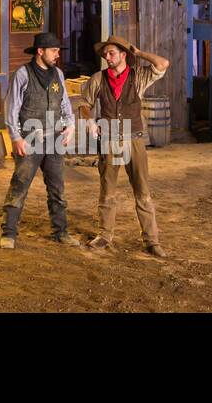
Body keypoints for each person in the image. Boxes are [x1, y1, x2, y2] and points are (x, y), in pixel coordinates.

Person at [82, 35, 169, 257]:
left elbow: (162, 64)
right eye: (105, 54)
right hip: (110, 138)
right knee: (108, 189)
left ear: (123, 55)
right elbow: (84, 103)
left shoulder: (138, 76)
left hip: (134, 138)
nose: (107, 57)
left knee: (142, 190)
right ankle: (105, 235)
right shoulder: (98, 79)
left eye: (111, 53)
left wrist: (138, 53)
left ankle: (151, 239)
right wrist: (90, 121)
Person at [0, 31, 79, 249]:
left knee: (57, 188)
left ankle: (60, 232)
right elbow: (11, 108)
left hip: (54, 139)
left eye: (57, 51)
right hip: (29, 139)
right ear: (40, 51)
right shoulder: (23, 75)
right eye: (53, 51)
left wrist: (70, 124)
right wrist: (15, 137)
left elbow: (64, 103)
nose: (57, 56)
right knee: (20, 185)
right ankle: (8, 233)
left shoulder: (58, 75)